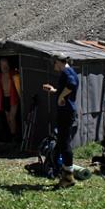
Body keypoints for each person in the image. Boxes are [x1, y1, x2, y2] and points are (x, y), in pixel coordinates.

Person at [43, 53, 79, 189]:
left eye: (54, 63)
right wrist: (56, 92)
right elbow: (68, 87)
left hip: (66, 112)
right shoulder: (71, 71)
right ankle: (65, 173)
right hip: (67, 111)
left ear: (58, 62)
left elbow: (72, 84)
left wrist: (61, 97)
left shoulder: (67, 72)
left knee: (64, 143)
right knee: (63, 142)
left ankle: (68, 175)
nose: (54, 66)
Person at [0, 58, 21, 142]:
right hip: (4, 99)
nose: (4, 67)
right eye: (3, 65)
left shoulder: (14, 74)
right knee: (8, 119)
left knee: (12, 117)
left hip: (13, 98)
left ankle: (15, 136)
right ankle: (12, 136)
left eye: (6, 65)